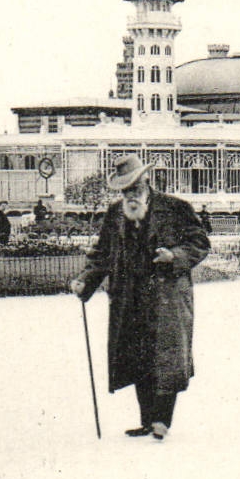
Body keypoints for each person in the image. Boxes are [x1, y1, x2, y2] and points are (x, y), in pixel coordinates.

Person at [70, 156, 210, 442]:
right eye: (125, 191)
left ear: (146, 183)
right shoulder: (115, 215)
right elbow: (102, 255)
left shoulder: (175, 209)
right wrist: (85, 280)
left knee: (167, 357)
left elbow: (199, 243)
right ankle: (147, 420)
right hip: (129, 298)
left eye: (134, 188)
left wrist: (175, 256)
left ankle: (161, 421)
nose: (130, 195)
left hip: (166, 297)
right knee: (137, 357)